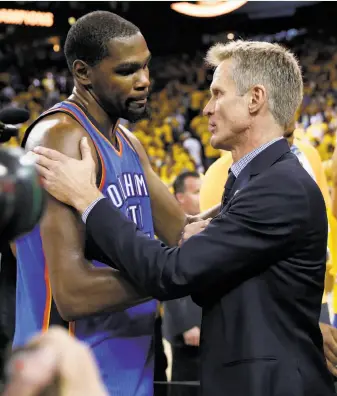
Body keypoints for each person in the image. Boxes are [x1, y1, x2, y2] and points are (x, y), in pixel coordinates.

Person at [33, 40, 336, 395]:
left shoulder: (278, 187)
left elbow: (171, 273)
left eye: (217, 94)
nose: (206, 108)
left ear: (255, 99)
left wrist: (88, 199)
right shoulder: (254, 181)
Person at [13, 11, 219, 396]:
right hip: (70, 377)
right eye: (127, 71)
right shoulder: (58, 138)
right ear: (83, 72)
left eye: (145, 66)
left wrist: (251, 203)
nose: (145, 81)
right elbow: (72, 294)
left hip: (132, 367)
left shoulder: (129, 142)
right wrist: (171, 274)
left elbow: (182, 232)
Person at [199, 124, 337, 377]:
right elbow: (225, 274)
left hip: (318, 300)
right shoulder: (219, 175)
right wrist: (304, 324)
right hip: (268, 325)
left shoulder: (309, 155)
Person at [163, 171, 203, 396]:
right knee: (185, 386)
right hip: (186, 332)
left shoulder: (207, 221)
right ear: (180, 197)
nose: (202, 195)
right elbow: (169, 278)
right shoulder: (170, 227)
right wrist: (187, 324)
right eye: (195, 191)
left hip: (207, 326)